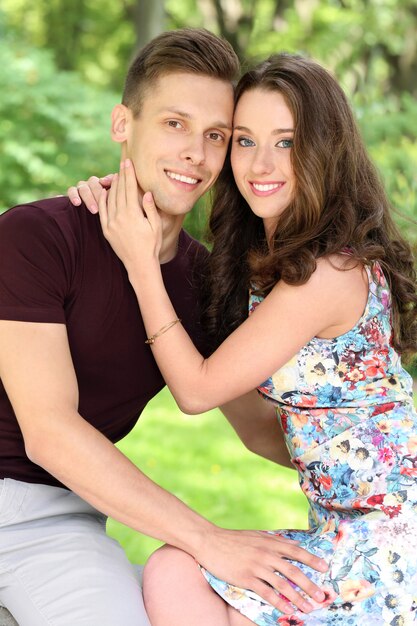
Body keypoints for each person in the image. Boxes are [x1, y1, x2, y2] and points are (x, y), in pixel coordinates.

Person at [0, 31, 328, 626]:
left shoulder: (205, 279)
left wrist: (383, 471)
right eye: (175, 124)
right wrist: (207, 537)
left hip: (68, 515)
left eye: (216, 137)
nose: (195, 155)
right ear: (123, 124)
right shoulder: (35, 238)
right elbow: (48, 432)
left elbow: (257, 430)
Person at [79, 52, 417, 625]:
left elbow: (196, 389)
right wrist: (132, 203)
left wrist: (140, 262)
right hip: (344, 531)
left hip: (391, 544)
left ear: (325, 149)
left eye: (286, 142)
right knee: (176, 572)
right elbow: (265, 432)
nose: (261, 163)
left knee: (178, 576)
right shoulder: (275, 266)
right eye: (243, 140)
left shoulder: (328, 272)